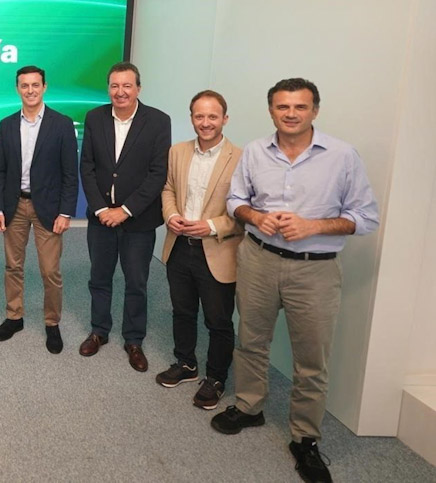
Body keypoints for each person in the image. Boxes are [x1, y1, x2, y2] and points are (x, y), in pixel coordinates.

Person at [212, 78, 378, 483]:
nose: (290, 114)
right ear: (271, 110)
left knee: (311, 359)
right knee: (251, 340)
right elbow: (236, 201)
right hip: (259, 260)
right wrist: (256, 217)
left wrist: (313, 226)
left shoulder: (342, 156)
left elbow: (366, 217)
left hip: (314, 269)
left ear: (314, 111)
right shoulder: (255, 151)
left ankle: (305, 438)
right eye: (282, 106)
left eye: (300, 107)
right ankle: (249, 406)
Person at [79, 61, 170, 372]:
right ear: (109, 88)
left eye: (127, 85)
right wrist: (101, 209)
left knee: (137, 282)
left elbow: (158, 174)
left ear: (138, 89)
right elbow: (87, 167)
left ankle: (133, 339)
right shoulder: (95, 117)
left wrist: (125, 210)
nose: (120, 91)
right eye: (115, 85)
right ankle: (99, 331)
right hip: (101, 219)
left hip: (138, 220)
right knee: (99, 278)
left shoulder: (158, 121)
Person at [156, 90, 241, 410]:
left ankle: (216, 377)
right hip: (179, 245)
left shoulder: (241, 158)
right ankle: (186, 363)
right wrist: (171, 216)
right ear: (192, 118)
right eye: (199, 116)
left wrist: (212, 226)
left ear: (225, 119)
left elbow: (246, 210)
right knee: (183, 310)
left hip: (217, 249)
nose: (206, 123)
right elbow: (168, 189)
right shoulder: (177, 151)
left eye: (213, 116)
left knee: (218, 320)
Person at [0, 65, 79, 354]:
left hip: (49, 209)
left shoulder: (62, 124)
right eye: (24, 85)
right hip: (13, 205)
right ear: (17, 89)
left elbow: (70, 173)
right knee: (12, 266)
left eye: (35, 85)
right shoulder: (6, 125)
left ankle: (52, 323)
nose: (30, 90)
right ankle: (14, 317)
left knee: (50, 270)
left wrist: (65, 212)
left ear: (44, 87)